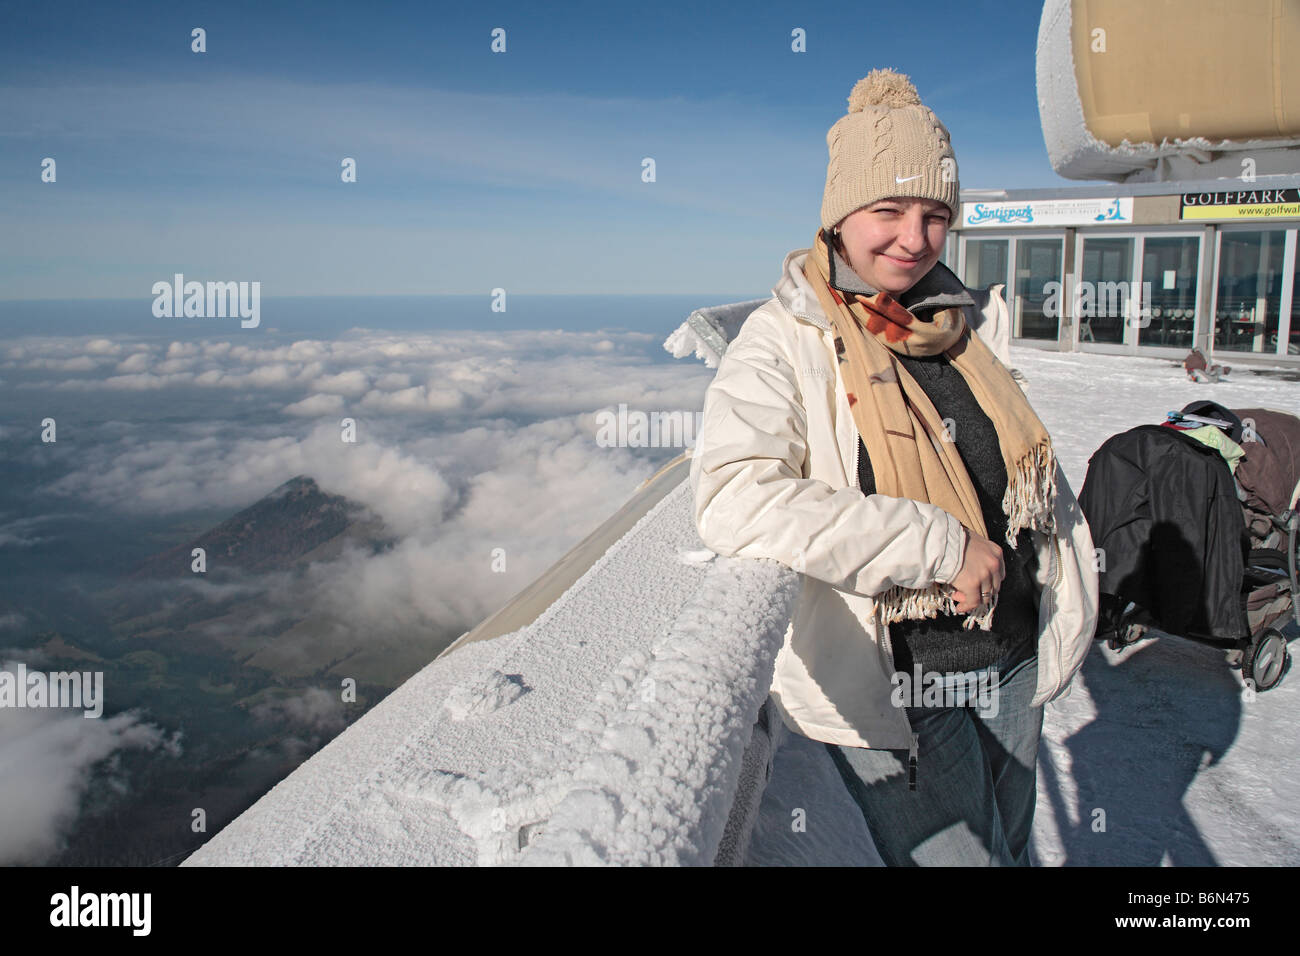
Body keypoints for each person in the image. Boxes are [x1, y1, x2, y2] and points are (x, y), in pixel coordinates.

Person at [689, 68, 1099, 866]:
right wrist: (936, 544)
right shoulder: (785, 338)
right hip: (901, 687)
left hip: (1010, 649)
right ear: (840, 216)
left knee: (1010, 850)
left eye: (935, 215)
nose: (914, 238)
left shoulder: (954, 321)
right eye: (888, 210)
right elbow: (735, 497)